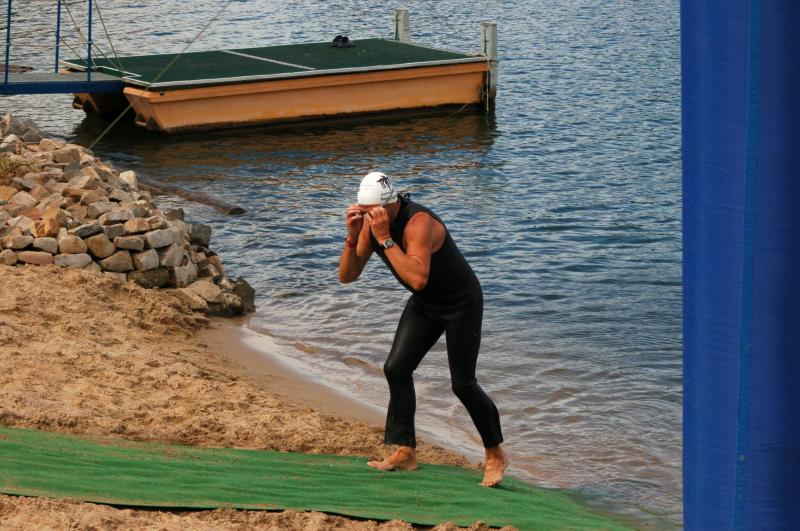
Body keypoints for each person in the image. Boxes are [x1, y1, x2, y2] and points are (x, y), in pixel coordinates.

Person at [337, 171, 508, 487]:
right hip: (426, 303)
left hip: (461, 303)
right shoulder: (372, 225)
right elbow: (347, 276)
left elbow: (417, 278)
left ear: (391, 204)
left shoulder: (419, 223)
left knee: (463, 384)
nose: (369, 217)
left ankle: (495, 453)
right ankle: (405, 451)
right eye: (363, 211)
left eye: (373, 212)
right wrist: (352, 235)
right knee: (396, 368)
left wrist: (384, 238)